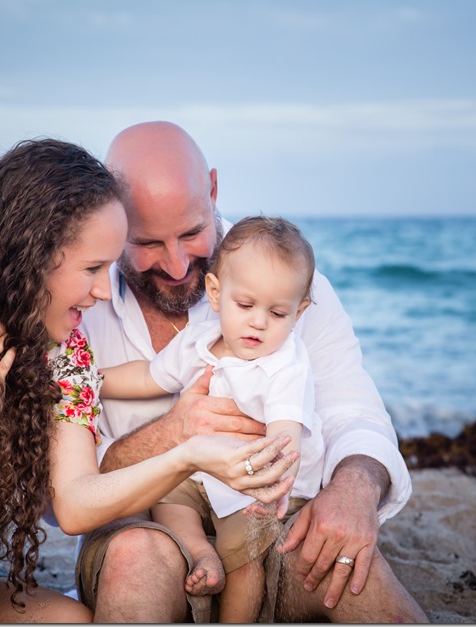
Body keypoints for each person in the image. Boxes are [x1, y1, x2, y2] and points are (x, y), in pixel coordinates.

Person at [0, 138, 296, 622]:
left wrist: (187, 453)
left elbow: (75, 503)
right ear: (30, 256)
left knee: (70, 620)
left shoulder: (60, 342)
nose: (106, 292)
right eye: (92, 268)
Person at [78, 121, 428, 622]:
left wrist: (356, 487)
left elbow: (352, 409)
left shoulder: (287, 292)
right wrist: (173, 436)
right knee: (136, 556)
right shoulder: (81, 309)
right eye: (149, 242)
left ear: (214, 190)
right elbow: (70, 490)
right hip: (149, 526)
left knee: (357, 574)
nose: (177, 266)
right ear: (112, 220)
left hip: (274, 518)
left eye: (192, 233)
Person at [100, 215, 325, 622]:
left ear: (299, 312)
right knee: (167, 496)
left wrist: (272, 483)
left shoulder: (286, 364)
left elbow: (285, 435)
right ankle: (203, 554)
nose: (258, 321)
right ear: (216, 293)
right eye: (246, 305)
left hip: (252, 482)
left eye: (277, 313)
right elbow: (147, 376)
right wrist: (92, 381)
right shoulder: (199, 341)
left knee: (245, 555)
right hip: (202, 471)